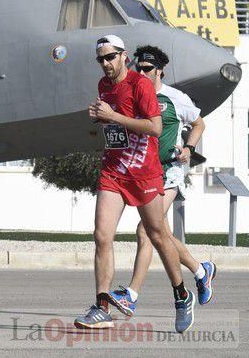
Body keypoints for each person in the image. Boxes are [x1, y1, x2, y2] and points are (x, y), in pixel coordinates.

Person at [75, 35, 194, 334]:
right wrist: (101, 119)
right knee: (102, 235)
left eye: (110, 57)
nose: (105, 64)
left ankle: (181, 295)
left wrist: (113, 115)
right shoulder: (104, 86)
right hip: (114, 170)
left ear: (123, 56)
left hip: (145, 174)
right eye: (100, 59)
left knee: (157, 235)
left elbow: (154, 127)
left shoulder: (140, 85)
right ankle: (101, 307)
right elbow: (115, 123)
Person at [107, 45, 215, 316]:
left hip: (168, 171)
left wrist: (188, 148)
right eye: (138, 68)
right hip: (142, 172)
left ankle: (131, 295)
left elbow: (199, 123)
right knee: (161, 233)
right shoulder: (132, 94)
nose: (142, 73)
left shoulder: (175, 97)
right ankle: (202, 271)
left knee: (145, 232)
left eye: (148, 69)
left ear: (160, 70)